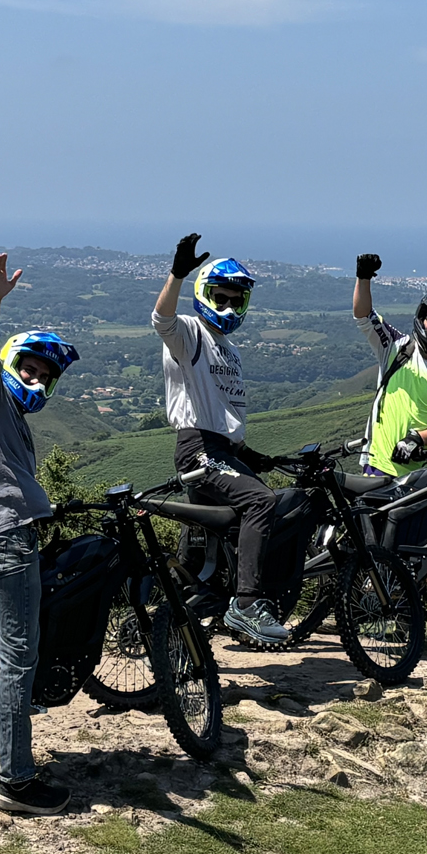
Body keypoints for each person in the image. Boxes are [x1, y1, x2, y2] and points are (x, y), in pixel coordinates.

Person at [0, 253, 80, 816]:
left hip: (1, 531)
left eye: (48, 375)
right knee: (20, 660)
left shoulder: (12, 422)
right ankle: (16, 782)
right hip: (4, 536)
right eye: (31, 366)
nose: (38, 378)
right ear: (10, 361)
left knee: (9, 643)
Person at [152, 233, 288, 644]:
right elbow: (161, 320)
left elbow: (226, 412)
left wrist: (250, 453)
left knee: (214, 541)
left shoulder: (230, 350)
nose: (228, 306)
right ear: (203, 295)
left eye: (236, 300)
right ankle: (246, 604)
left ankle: (187, 618)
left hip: (223, 450)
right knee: (260, 501)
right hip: (199, 450)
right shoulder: (191, 334)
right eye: (220, 297)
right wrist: (177, 273)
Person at [352, 253, 427, 478]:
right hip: (377, 463)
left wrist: (418, 439)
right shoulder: (396, 348)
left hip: (421, 473)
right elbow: (364, 316)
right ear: (421, 319)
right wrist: (363, 277)